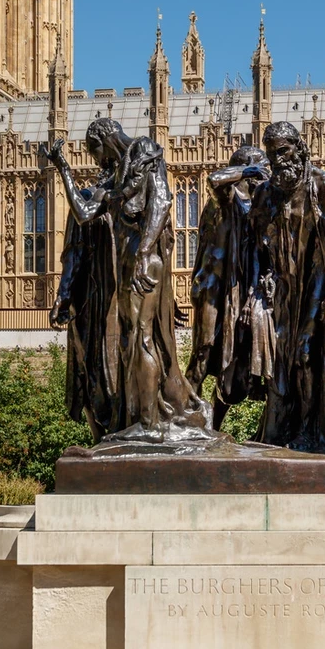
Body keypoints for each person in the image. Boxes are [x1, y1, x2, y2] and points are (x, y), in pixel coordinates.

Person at [46, 118, 209, 442]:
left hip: (142, 262)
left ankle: (148, 423)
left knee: (141, 338)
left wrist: (145, 253)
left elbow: (161, 202)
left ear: (104, 140)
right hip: (129, 262)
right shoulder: (116, 174)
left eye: (96, 153)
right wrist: (62, 167)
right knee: (129, 343)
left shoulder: (144, 150)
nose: (97, 162)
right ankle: (140, 416)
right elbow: (83, 212)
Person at [246, 122, 325, 452]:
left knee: (306, 356)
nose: (277, 160)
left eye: (283, 151)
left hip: (315, 287)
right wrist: (259, 282)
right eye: (272, 154)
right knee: (277, 365)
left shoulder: (321, 185)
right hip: (281, 293)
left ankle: (311, 433)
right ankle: (277, 433)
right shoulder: (264, 193)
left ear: (299, 147)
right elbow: (255, 247)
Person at [187, 146, 267, 429]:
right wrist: (247, 170)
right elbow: (214, 180)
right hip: (214, 291)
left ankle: (213, 426)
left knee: (235, 366)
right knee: (204, 351)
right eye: (261, 168)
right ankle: (185, 420)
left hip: (240, 291)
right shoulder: (226, 198)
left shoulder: (254, 203)